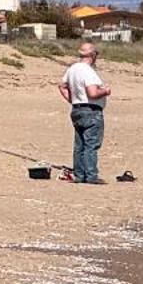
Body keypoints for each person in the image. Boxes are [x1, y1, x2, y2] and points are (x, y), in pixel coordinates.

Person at [56, 41, 110, 184]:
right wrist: (105, 91)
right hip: (90, 110)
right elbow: (92, 93)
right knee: (91, 144)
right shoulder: (87, 71)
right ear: (93, 55)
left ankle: (79, 174)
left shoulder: (72, 69)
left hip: (77, 109)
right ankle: (91, 175)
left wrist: (72, 99)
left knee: (79, 144)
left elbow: (61, 86)